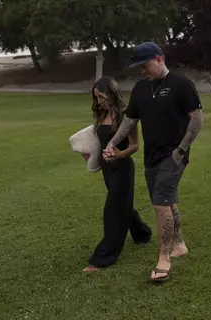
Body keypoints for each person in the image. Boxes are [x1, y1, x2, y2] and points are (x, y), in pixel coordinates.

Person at [103, 42, 203, 283]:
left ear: (159, 59)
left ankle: (164, 257)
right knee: (167, 201)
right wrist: (113, 143)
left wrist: (181, 150)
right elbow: (129, 121)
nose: (142, 71)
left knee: (160, 203)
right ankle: (179, 245)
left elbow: (196, 119)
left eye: (145, 65)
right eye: (139, 67)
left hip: (174, 155)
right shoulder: (140, 89)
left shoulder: (181, 84)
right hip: (152, 157)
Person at [82, 76, 153, 273]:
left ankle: (103, 257)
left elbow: (135, 146)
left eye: (102, 97)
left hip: (122, 168)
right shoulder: (101, 115)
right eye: (96, 98)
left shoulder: (126, 114)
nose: (99, 102)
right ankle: (143, 234)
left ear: (112, 93)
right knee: (123, 206)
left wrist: (119, 154)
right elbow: (101, 143)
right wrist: (90, 154)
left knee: (113, 210)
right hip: (107, 169)